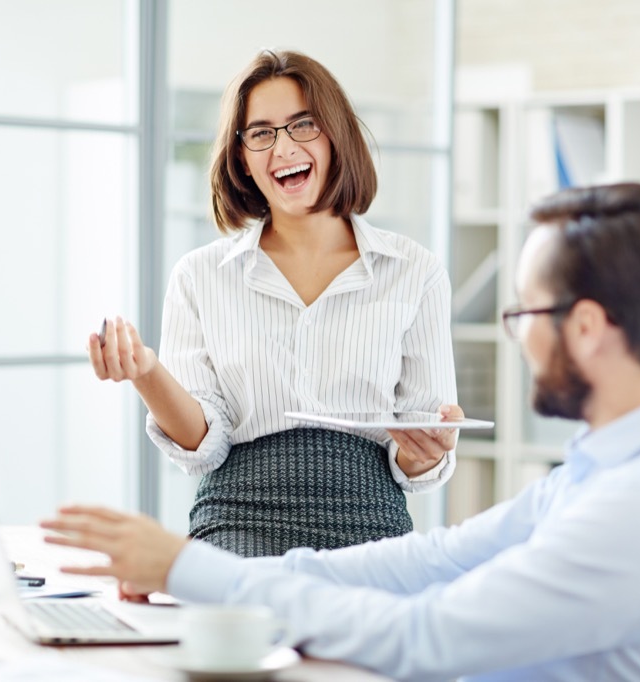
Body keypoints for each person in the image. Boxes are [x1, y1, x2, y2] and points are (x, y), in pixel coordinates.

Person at [46, 182, 640, 680]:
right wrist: (202, 572)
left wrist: (185, 569)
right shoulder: (616, 469)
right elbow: (432, 562)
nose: (520, 341)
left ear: (589, 327)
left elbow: (426, 635)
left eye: (524, 317)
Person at [90, 49, 458, 557]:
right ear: (242, 156)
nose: (282, 146)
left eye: (302, 125)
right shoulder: (200, 276)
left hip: (370, 529)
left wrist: (425, 451)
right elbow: (204, 444)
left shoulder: (415, 271)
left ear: (335, 136)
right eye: (261, 132)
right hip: (236, 523)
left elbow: (413, 456)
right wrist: (147, 372)